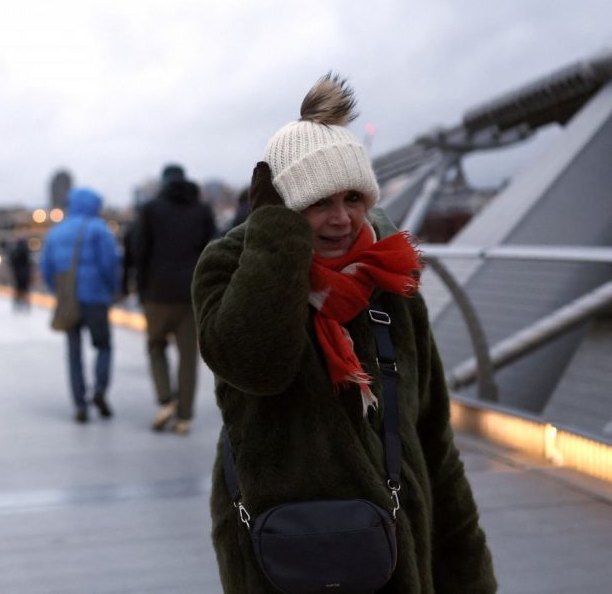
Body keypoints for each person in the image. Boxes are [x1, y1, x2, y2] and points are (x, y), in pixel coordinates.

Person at [192, 74, 496, 592]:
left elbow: (434, 440)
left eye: (353, 198)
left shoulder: (387, 276)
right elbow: (256, 366)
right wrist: (274, 242)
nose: (341, 220)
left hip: (398, 551)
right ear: (282, 210)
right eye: (318, 203)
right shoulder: (230, 267)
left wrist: (469, 576)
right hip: (279, 555)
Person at [132, 164, 216, 435]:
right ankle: (184, 417)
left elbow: (139, 251)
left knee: (156, 346)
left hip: (157, 293)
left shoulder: (151, 210)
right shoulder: (202, 210)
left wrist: (140, 289)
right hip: (192, 294)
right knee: (188, 356)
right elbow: (213, 250)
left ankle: (166, 399)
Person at [40, 187, 121, 423]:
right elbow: (109, 264)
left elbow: (46, 269)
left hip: (70, 301)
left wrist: (60, 292)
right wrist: (112, 289)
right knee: (103, 346)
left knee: (73, 352)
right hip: (96, 298)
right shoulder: (99, 229)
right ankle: (99, 390)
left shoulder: (56, 232)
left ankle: (79, 405)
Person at [8, 238, 33, 311]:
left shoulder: (16, 252)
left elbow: (12, 263)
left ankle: (17, 304)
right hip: (25, 275)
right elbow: (29, 264)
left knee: (18, 290)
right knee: (25, 290)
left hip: (17, 275)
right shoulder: (26, 252)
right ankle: (26, 305)